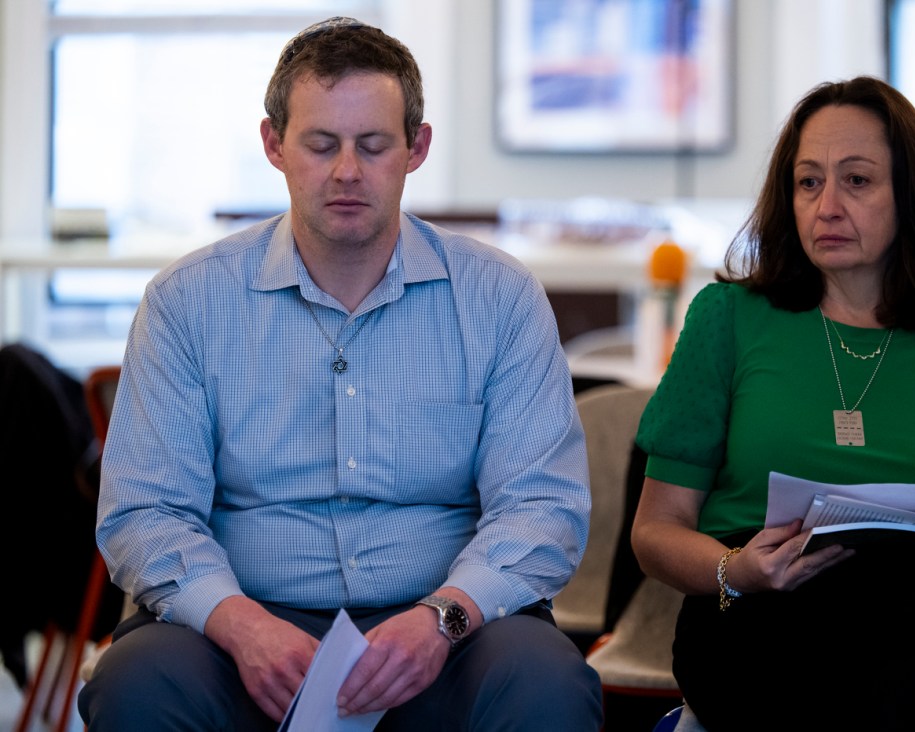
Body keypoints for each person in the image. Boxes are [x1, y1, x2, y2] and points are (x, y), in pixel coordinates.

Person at [77, 17, 603, 732]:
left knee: (546, 684)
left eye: (373, 145)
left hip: (444, 629)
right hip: (241, 632)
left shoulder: (500, 298)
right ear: (274, 144)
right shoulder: (187, 302)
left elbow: (542, 503)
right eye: (321, 144)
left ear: (416, 148)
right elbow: (147, 511)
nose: (347, 171)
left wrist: (443, 619)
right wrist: (239, 625)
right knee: (137, 686)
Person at [630, 76, 915, 729]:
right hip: (763, 612)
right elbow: (654, 532)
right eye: (809, 182)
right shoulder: (728, 319)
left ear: (910, 197)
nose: (826, 206)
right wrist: (736, 569)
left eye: (857, 181)